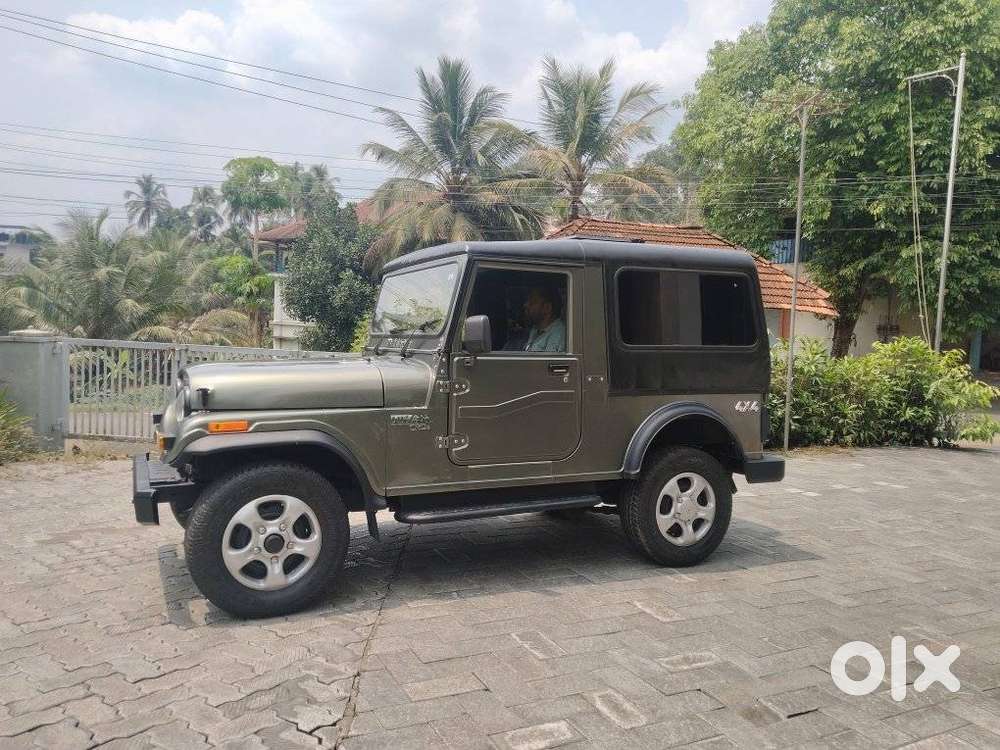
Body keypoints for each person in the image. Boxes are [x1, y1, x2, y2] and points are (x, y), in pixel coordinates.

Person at [523, 284, 566, 352]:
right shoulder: (535, 330)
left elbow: (547, 362)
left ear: (547, 307)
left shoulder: (559, 336)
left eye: (532, 301)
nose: (526, 305)